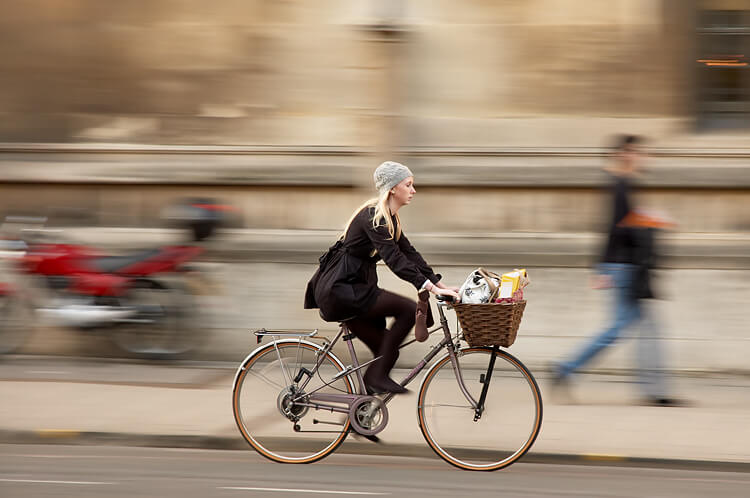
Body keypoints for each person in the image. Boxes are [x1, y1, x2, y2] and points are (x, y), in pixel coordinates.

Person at [304, 161, 460, 394]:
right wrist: (434, 291)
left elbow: (410, 255)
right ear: (393, 188)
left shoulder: (391, 219)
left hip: (357, 289)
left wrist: (441, 285)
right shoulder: (374, 218)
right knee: (407, 311)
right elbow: (395, 260)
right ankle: (375, 380)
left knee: (387, 351)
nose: (413, 190)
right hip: (343, 291)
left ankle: (359, 417)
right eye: (408, 185)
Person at [551, 135, 682, 406]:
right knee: (621, 328)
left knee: (639, 327)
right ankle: (566, 368)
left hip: (624, 265)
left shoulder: (623, 184)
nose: (645, 158)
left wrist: (652, 218)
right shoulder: (620, 185)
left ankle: (651, 389)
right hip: (624, 267)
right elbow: (615, 228)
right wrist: (602, 267)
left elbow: (624, 223)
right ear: (625, 154)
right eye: (639, 153)